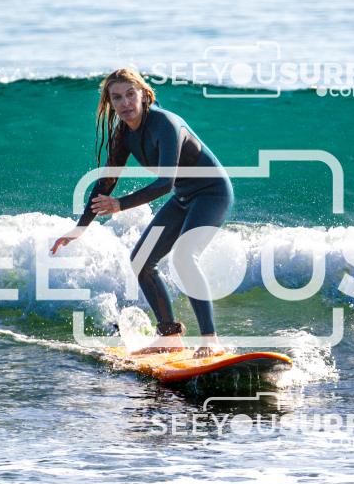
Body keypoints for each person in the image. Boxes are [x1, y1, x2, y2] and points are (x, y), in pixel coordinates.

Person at [51, 68, 233, 358]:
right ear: (110, 102)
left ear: (144, 95)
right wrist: (80, 227)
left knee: (184, 256)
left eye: (130, 94)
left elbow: (165, 183)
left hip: (212, 193)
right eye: (116, 97)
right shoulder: (124, 133)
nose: (124, 103)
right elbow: (106, 182)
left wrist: (120, 204)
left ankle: (210, 340)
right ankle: (169, 337)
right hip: (184, 197)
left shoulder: (165, 123)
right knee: (141, 260)